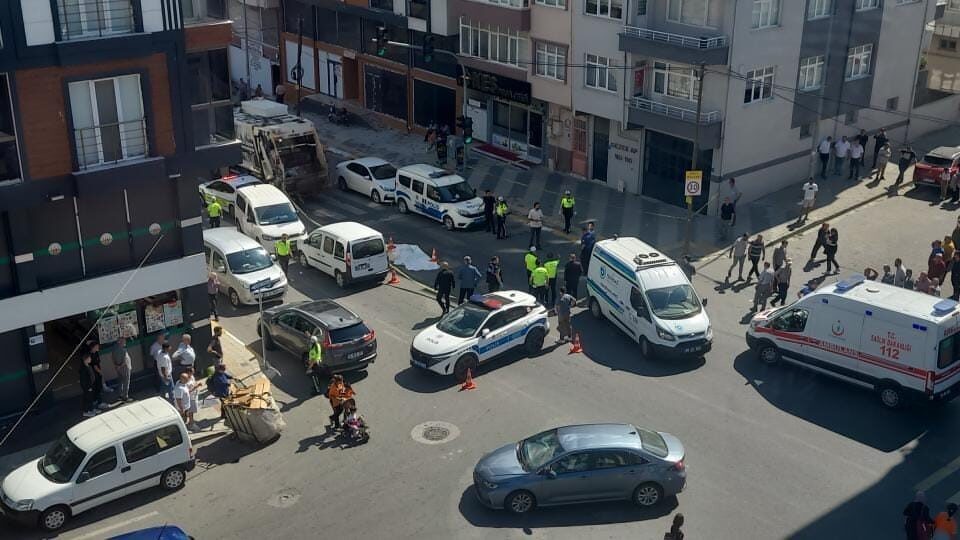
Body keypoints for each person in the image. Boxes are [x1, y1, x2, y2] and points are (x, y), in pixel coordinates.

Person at [112, 337, 133, 403]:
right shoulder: (123, 350)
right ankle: (125, 397)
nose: (125, 342)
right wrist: (120, 366)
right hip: (125, 368)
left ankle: (120, 395)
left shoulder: (114, 349)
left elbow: (112, 358)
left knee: (120, 382)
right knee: (126, 382)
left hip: (118, 368)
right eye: (124, 341)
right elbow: (125, 360)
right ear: (120, 342)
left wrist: (116, 366)